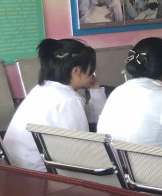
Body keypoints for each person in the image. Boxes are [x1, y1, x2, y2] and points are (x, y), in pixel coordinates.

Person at [2, 39, 106, 171]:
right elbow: (81, 153)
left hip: (14, 167)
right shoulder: (69, 100)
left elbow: (91, 118)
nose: (92, 76)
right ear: (76, 71)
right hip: (40, 174)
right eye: (91, 71)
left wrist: (95, 88)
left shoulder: (43, 89)